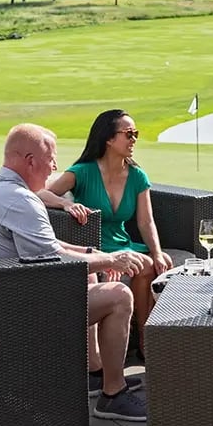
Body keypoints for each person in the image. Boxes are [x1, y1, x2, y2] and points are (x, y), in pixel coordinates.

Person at [0, 123, 153, 422]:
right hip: (11, 313)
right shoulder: (20, 200)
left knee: (88, 275)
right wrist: (113, 262)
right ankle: (113, 395)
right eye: (51, 158)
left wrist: (96, 255)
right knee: (120, 296)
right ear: (29, 160)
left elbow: (48, 245)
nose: (54, 166)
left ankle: (94, 373)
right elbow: (53, 259)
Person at [40, 109, 174, 338]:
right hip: (93, 246)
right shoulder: (82, 172)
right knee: (145, 265)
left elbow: (146, 220)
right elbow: (40, 193)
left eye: (136, 134)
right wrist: (65, 205)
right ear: (109, 139)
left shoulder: (137, 175)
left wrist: (158, 252)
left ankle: (141, 332)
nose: (133, 140)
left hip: (123, 243)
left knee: (159, 262)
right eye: (129, 134)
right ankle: (141, 334)